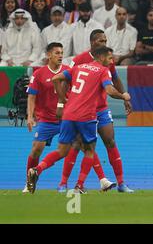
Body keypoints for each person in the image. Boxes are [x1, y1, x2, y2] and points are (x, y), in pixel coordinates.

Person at [26, 46, 131, 194]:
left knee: (62, 150)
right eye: (109, 58)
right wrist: (123, 96)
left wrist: (62, 99)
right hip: (86, 115)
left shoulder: (79, 67)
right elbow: (109, 90)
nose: (111, 61)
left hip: (69, 114)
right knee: (89, 150)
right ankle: (79, 186)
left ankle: (37, 169)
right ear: (100, 58)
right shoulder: (102, 71)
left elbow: (56, 78)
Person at [57, 30, 134, 193]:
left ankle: (121, 183)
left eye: (106, 40)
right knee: (77, 145)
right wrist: (63, 102)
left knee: (110, 142)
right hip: (82, 111)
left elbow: (115, 79)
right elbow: (64, 81)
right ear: (92, 42)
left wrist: (125, 98)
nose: (104, 43)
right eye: (101, 40)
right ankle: (64, 183)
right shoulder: (78, 60)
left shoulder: (107, 60)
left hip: (101, 109)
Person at [23, 43, 71, 193]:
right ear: (49, 55)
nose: (60, 56)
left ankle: (75, 184)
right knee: (37, 149)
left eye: (62, 53)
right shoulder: (39, 73)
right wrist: (30, 117)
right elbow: (31, 96)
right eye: (57, 53)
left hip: (66, 118)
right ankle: (29, 182)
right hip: (46, 119)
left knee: (80, 147)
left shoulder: (68, 71)